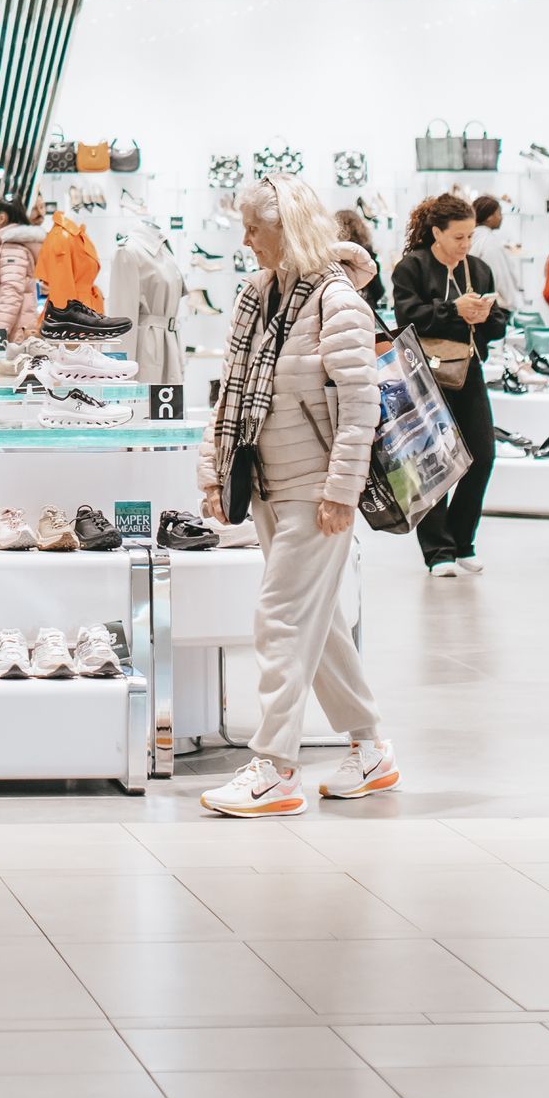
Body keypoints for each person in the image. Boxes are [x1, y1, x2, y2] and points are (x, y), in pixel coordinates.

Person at [198, 175, 394, 816]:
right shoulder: (257, 295)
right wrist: (213, 471)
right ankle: (371, 748)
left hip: (315, 488)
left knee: (281, 617)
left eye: (255, 228)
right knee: (320, 621)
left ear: (289, 229)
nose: (246, 240)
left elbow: (360, 406)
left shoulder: (338, 301)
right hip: (266, 483)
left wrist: (342, 490)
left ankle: (277, 767)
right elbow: (229, 390)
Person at [393, 190, 509, 579]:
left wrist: (484, 316)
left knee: (482, 454)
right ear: (437, 233)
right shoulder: (412, 267)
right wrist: (453, 310)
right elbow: (407, 318)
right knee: (431, 461)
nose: (466, 244)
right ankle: (437, 550)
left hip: (467, 370)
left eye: (470, 236)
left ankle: (462, 541)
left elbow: (498, 326)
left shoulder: (478, 269)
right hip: (423, 375)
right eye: (459, 236)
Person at [0, 198, 44, 344]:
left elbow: (11, 293)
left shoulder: (12, 248)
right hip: (9, 333)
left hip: (10, 337)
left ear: (1, 218)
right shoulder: (4, 245)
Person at [334, 205, 387, 317]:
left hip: (338, 311)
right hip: (365, 310)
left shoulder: (331, 256)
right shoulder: (367, 255)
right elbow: (378, 291)